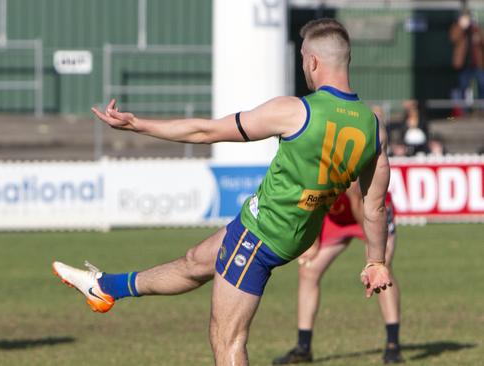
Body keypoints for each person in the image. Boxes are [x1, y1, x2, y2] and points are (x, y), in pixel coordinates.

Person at [53, 18, 393, 365]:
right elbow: (374, 207)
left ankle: (106, 289)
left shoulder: (295, 111)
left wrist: (139, 124)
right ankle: (105, 287)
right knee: (195, 262)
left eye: (304, 59)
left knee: (227, 341)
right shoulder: (374, 127)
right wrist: (377, 262)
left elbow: (205, 131)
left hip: (261, 235)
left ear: (313, 62)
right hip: (295, 233)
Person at [272, 182, 403, 365]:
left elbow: (357, 201)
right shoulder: (313, 163)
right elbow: (311, 204)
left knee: (381, 270)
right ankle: (303, 347)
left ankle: (393, 345)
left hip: (371, 212)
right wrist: (312, 241)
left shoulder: (348, 162)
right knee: (308, 270)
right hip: (337, 218)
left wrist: (373, 250)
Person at [450, 4, 484, 110]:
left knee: (482, 86)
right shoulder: (458, 28)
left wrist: (478, 37)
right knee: (463, 87)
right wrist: (461, 26)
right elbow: (453, 38)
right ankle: (463, 111)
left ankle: (481, 109)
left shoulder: (476, 29)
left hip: (477, 64)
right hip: (464, 65)